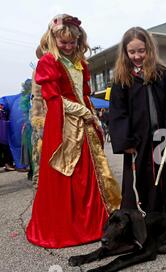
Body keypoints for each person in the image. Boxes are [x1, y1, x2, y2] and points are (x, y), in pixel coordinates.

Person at [26, 14, 121, 248]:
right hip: (65, 126)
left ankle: (98, 220)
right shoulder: (48, 62)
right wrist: (83, 111)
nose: (68, 47)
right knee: (69, 173)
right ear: (53, 38)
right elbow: (53, 98)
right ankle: (68, 227)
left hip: (84, 122)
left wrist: (92, 115)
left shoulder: (80, 63)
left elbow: (85, 94)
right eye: (63, 42)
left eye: (72, 42)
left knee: (93, 173)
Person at [109, 26, 166, 213]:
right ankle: (141, 219)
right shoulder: (121, 78)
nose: (137, 56)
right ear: (125, 52)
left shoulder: (162, 73)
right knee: (139, 179)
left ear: (149, 49)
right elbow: (118, 112)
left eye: (141, 50)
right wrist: (125, 141)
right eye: (132, 51)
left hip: (162, 137)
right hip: (137, 140)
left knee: (165, 177)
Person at [30, 47, 47, 190]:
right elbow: (38, 99)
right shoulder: (39, 70)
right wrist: (40, 124)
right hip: (43, 123)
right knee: (40, 166)